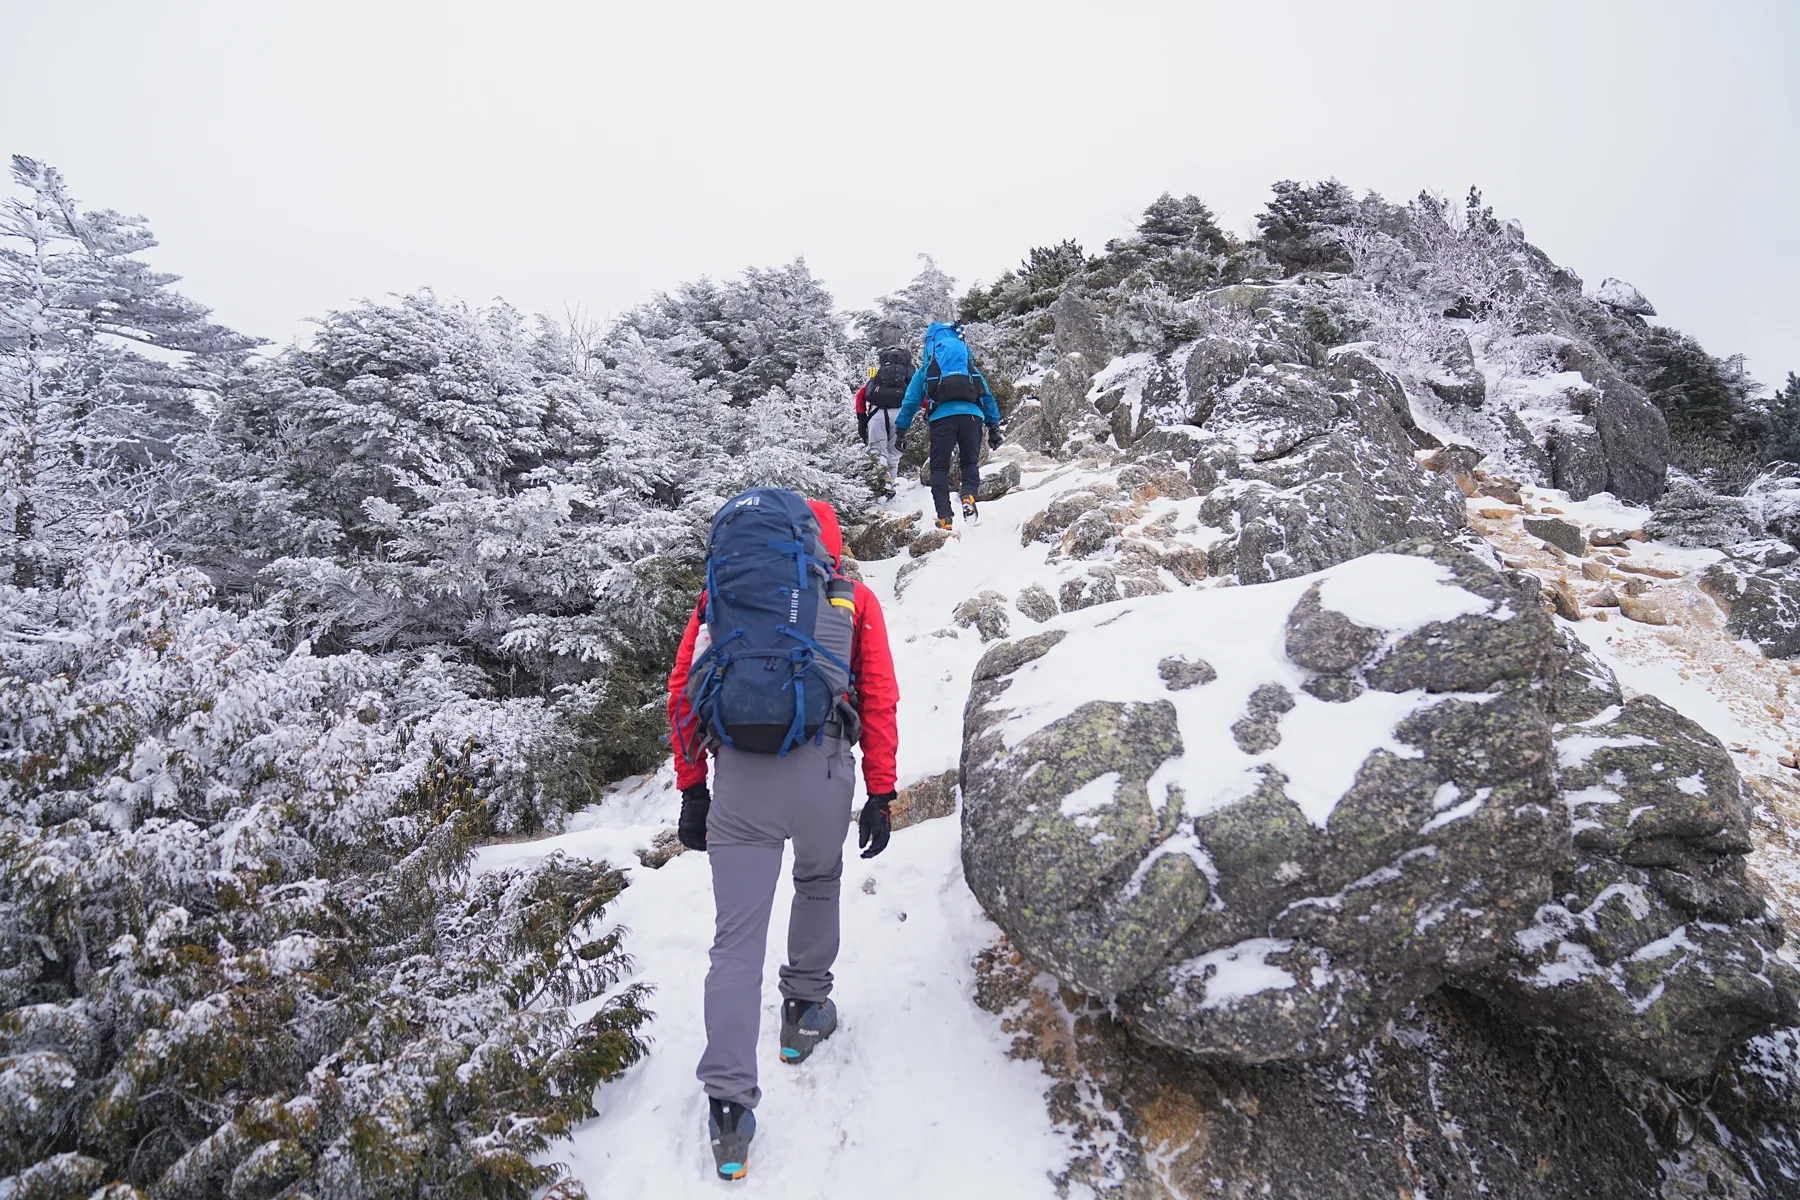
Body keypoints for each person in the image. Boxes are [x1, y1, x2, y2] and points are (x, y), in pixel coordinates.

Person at [666, 493, 900, 1183]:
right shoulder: (852, 598)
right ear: (825, 543)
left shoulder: (720, 600)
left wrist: (692, 787)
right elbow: (879, 694)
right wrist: (881, 790)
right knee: (818, 881)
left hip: (739, 780)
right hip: (823, 770)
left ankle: (730, 1112)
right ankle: (803, 1012)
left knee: (734, 942)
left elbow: (683, 691)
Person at [894, 321, 1003, 530]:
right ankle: (969, 496)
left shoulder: (928, 368)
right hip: (972, 417)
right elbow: (986, 396)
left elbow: (911, 401)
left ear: (931, 343)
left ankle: (945, 518)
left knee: (939, 468)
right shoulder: (968, 367)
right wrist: (994, 427)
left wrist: (901, 430)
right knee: (969, 463)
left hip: (941, 420)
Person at [856, 345, 912, 478]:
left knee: (878, 453)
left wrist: (862, 418)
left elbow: (861, 395)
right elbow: (917, 398)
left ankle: (883, 486)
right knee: (894, 455)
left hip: (876, 414)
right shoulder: (907, 377)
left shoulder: (876, 374)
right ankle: (890, 488)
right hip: (899, 416)